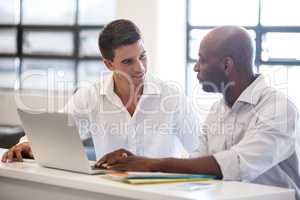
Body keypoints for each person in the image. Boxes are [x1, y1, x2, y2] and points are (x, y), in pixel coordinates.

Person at [96, 26, 300, 199]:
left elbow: (237, 165)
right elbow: (195, 165)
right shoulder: (217, 110)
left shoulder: (277, 108)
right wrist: (134, 163)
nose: (195, 68)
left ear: (227, 65)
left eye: (201, 60)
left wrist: (150, 164)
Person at [1, 19, 201, 163]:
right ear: (109, 64)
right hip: (109, 191)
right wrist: (28, 143)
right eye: (128, 61)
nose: (139, 67)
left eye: (142, 56)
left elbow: (201, 150)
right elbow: (57, 131)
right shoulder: (91, 97)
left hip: (162, 193)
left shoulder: (172, 96)